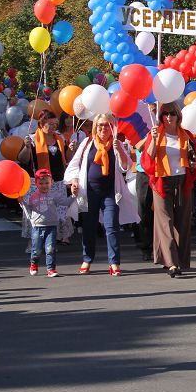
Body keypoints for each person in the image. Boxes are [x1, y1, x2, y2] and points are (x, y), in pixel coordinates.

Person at [65, 113, 136, 276]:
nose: (103, 128)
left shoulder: (117, 144)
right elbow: (74, 165)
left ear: (112, 127)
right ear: (95, 127)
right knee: (89, 227)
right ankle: (87, 259)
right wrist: (74, 181)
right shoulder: (87, 143)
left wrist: (120, 151)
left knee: (111, 226)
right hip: (89, 191)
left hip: (110, 191)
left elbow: (125, 168)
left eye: (107, 125)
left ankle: (114, 262)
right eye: (100, 125)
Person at [141, 102, 196, 278]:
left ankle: (180, 260)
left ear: (178, 116)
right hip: (162, 181)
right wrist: (154, 140)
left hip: (183, 181)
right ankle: (172, 264)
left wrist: (195, 164)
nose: (168, 117)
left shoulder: (187, 135)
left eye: (172, 114)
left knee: (183, 222)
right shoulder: (155, 134)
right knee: (165, 222)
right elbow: (147, 161)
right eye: (165, 114)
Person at [18, 109, 73, 244]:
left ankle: (57, 237)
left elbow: (67, 158)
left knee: (59, 210)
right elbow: (22, 159)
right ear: (42, 124)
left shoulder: (60, 138)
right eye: (51, 124)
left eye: (56, 123)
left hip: (57, 182)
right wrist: (26, 148)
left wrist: (71, 149)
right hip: (38, 183)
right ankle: (35, 241)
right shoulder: (31, 139)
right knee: (38, 212)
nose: (54, 126)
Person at [19, 168, 75, 278]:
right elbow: (28, 208)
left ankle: (51, 269)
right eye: (41, 183)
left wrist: (73, 196)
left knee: (50, 248)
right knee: (37, 249)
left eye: (47, 183)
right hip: (38, 226)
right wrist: (21, 202)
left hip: (52, 226)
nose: (44, 185)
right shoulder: (33, 196)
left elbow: (65, 202)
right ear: (36, 183)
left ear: (51, 182)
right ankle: (34, 264)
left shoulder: (54, 195)